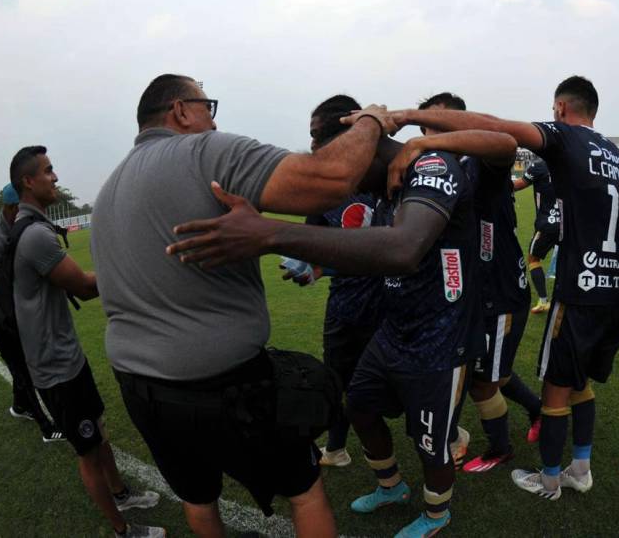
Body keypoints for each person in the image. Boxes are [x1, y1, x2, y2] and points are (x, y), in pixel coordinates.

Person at [166, 125, 517, 537]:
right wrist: (320, 267)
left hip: (439, 341)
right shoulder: (390, 184)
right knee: (359, 409)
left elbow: (402, 250)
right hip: (395, 331)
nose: (344, 183)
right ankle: (391, 487)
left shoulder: (432, 164)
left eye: (345, 169)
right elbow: (374, 254)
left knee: (431, 444)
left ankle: (437, 514)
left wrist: (271, 233)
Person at [91, 74, 396, 537]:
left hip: (139, 386)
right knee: (304, 488)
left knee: (198, 498)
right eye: (207, 106)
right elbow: (331, 180)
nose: (213, 120)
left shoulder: (108, 189)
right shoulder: (204, 152)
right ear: (181, 111)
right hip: (224, 383)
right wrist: (373, 118)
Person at [380, 75, 619, 500]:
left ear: (560, 108)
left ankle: (549, 478)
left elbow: (500, 130)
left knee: (551, 386)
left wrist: (409, 121)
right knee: (578, 385)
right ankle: (580, 466)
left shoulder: (554, 139)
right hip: (617, 290)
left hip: (564, 289)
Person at [9, 146, 163, 538]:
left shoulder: (36, 228)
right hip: (55, 369)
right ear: (29, 182)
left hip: (67, 357)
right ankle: (122, 530)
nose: (55, 177)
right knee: (87, 451)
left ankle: (122, 494)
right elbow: (82, 286)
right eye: (48, 171)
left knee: (98, 430)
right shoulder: (33, 237)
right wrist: (131, 263)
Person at [411, 93, 543, 473]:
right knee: (485, 372)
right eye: (426, 127)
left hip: (500, 292)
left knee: (485, 382)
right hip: (473, 293)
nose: (433, 133)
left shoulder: (480, 162)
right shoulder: (439, 169)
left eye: (442, 124)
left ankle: (500, 448)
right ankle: (536, 409)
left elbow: (505, 144)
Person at [302, 94, 385, 468]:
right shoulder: (319, 191)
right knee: (337, 382)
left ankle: (446, 436)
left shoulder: (385, 173)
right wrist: (312, 267)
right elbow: (313, 250)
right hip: (346, 308)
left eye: (318, 135)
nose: (312, 145)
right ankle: (336, 447)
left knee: (400, 383)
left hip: (391, 304)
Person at [0, 183, 63, 442]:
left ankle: (19, 406)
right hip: (0, 316)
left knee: (21, 366)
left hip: (14, 310)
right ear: (12, 207)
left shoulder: (18, 225)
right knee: (23, 371)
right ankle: (46, 428)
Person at [512, 158, 560, 314]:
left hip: (547, 223)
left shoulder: (539, 165)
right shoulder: (567, 162)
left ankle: (544, 301)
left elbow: (519, 184)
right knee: (567, 260)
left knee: (533, 259)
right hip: (567, 221)